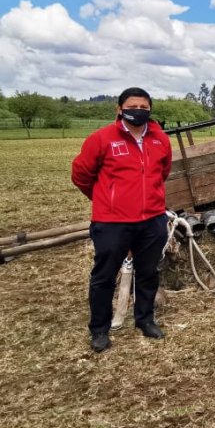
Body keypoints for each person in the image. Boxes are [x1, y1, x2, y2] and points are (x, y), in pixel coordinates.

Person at [72, 87, 173, 353]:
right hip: (112, 222)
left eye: (143, 107)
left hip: (152, 219)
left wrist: (149, 200)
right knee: (104, 276)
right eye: (132, 106)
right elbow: (81, 175)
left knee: (148, 272)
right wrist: (108, 200)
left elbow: (162, 173)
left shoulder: (160, 139)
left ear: (150, 110)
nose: (137, 111)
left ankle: (145, 319)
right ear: (119, 109)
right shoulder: (102, 139)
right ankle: (99, 330)